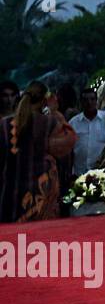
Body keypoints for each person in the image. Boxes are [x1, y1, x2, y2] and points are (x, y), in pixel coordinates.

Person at [0, 81, 77, 223]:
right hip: (41, 197)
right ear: (44, 101)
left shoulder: (4, 125)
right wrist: (55, 111)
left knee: (9, 242)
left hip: (9, 196)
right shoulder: (48, 123)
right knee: (40, 242)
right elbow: (68, 141)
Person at [68, 86, 105, 177]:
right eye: (85, 100)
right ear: (81, 102)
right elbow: (69, 150)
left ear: (96, 101)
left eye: (92, 99)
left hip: (102, 174)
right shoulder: (73, 123)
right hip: (79, 174)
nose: (89, 103)